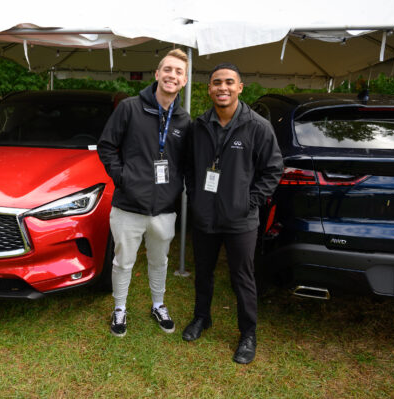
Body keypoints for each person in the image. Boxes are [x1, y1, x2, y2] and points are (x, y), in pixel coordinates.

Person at [182, 63, 283, 364]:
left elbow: (274, 169)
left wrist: (251, 200)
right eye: (216, 82)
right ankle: (202, 318)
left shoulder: (258, 126)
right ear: (209, 88)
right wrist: (195, 195)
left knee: (242, 277)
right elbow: (189, 165)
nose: (222, 87)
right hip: (204, 216)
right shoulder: (198, 126)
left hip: (240, 218)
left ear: (240, 87)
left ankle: (247, 334)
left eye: (229, 82)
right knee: (203, 273)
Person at [97, 49, 191, 337]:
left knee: (159, 260)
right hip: (128, 205)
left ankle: (158, 304)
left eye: (178, 72)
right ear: (157, 74)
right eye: (168, 69)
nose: (172, 75)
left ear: (184, 80)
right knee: (123, 261)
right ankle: (120, 308)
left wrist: (175, 188)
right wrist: (123, 177)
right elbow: (106, 146)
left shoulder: (184, 121)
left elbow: (185, 163)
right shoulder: (130, 108)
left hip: (164, 208)